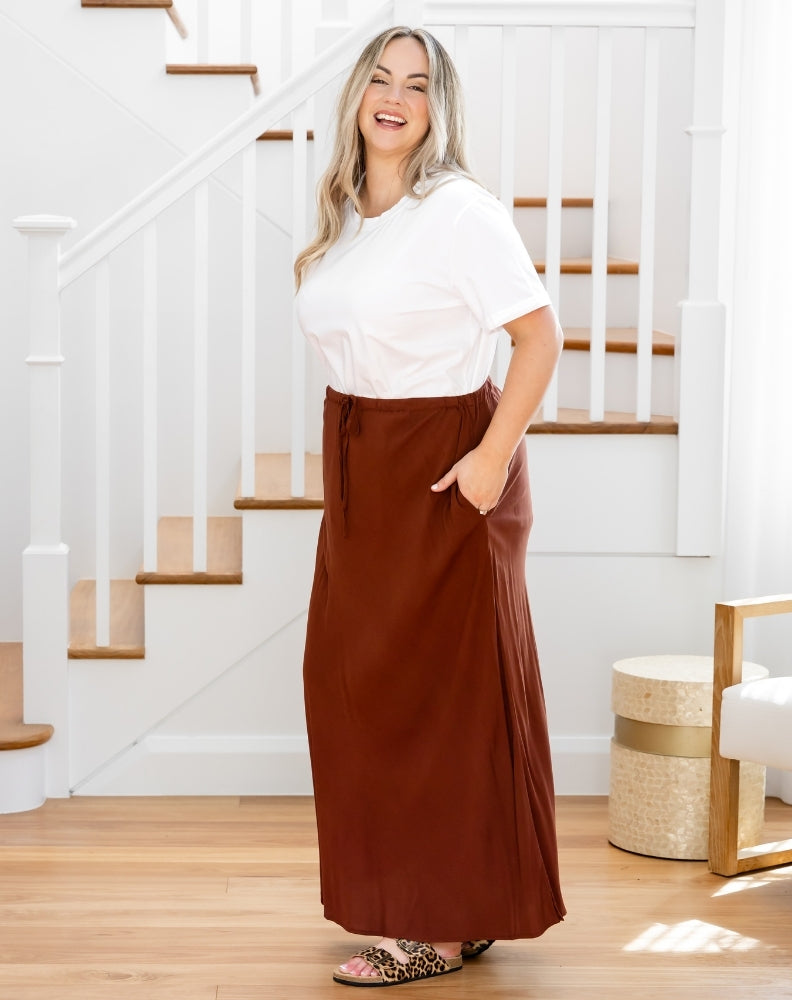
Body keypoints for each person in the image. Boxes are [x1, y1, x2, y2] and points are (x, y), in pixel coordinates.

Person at [294, 25, 566, 988]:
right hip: (364, 464)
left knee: (438, 703)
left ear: (438, 105)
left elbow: (539, 339)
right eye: (380, 78)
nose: (395, 97)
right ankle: (446, 900)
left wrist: (493, 458)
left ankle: (437, 930)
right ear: (357, 97)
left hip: (446, 463)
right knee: (350, 687)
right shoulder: (349, 215)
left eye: (417, 83)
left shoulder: (461, 211)